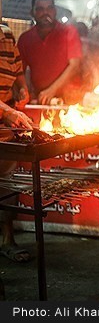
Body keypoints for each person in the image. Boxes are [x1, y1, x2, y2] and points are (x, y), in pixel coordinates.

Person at [0, 23, 34, 263]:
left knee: (6, 182)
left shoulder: (7, 35)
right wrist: (7, 112)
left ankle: (6, 239)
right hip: (5, 116)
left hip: (4, 126)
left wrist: (21, 87)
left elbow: (17, 71)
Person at [17, 0, 84, 105]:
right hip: (41, 99)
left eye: (50, 8)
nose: (45, 13)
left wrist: (52, 91)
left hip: (71, 100)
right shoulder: (25, 39)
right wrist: (23, 90)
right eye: (40, 9)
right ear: (32, 13)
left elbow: (75, 66)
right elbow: (19, 71)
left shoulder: (69, 33)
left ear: (55, 11)